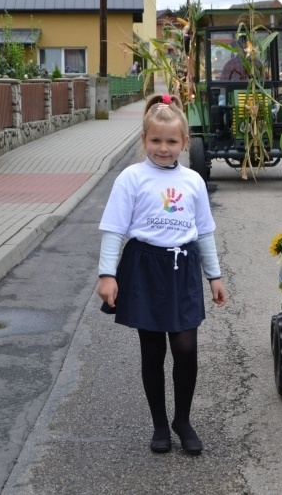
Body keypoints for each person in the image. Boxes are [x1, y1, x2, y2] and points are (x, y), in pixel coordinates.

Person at [96, 93, 228, 454]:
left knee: (185, 347)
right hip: (144, 268)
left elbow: (204, 232)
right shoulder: (131, 178)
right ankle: (159, 425)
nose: (163, 148)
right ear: (144, 140)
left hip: (182, 269)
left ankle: (182, 419)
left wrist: (213, 276)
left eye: (172, 141)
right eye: (155, 140)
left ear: (185, 142)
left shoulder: (193, 182)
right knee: (152, 351)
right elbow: (113, 229)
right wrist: (107, 274)